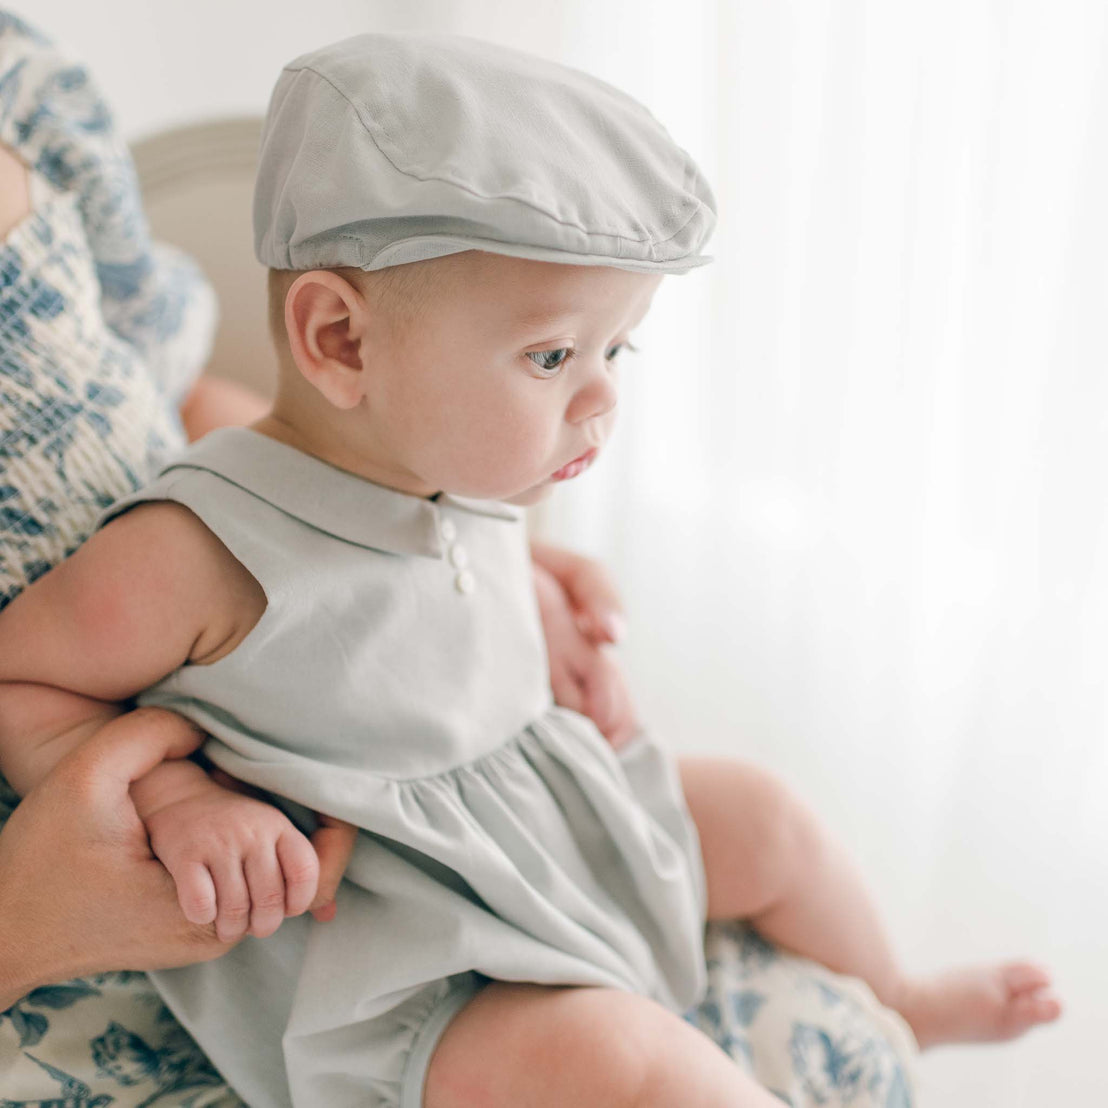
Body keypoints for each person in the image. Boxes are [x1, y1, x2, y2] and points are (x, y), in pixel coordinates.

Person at [0, 30, 1059, 1108]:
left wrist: (529, 589)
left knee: (762, 814)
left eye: (618, 350)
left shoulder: (449, 470)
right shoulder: (195, 554)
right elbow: (26, 678)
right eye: (554, 355)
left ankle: (895, 991)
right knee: (624, 1061)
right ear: (341, 342)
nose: (600, 396)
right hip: (414, 948)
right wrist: (176, 797)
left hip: (538, 827)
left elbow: (417, 587)